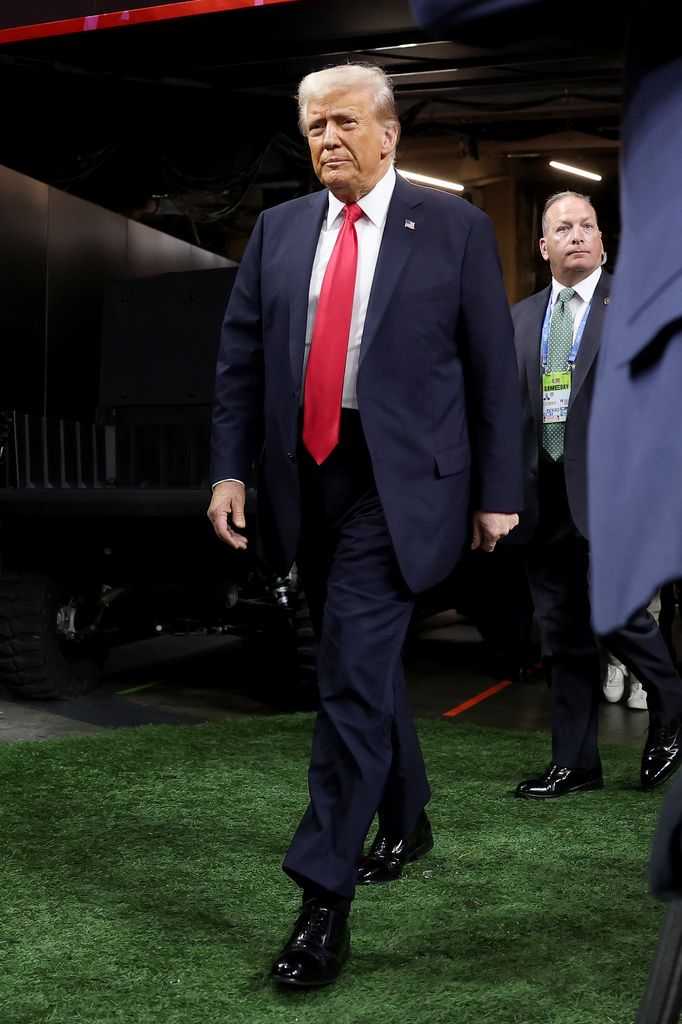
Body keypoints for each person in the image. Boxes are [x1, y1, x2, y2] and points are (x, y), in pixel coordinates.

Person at [207, 63, 523, 987]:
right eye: (313, 127)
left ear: (389, 135)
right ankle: (409, 811)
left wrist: (496, 490)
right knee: (361, 658)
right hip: (306, 477)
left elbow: (490, 371)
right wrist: (229, 469)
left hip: (406, 484)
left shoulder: (455, 228)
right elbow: (240, 361)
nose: (328, 140)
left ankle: (320, 900)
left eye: (344, 122)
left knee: (345, 671)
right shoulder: (276, 230)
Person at [508, 191, 682, 799]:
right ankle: (575, 763)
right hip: (543, 496)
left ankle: (672, 702)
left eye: (587, 225)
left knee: (620, 615)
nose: (576, 235)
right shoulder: (522, 317)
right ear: (544, 246)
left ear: (603, 241)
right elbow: (510, 413)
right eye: (563, 227)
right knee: (561, 636)